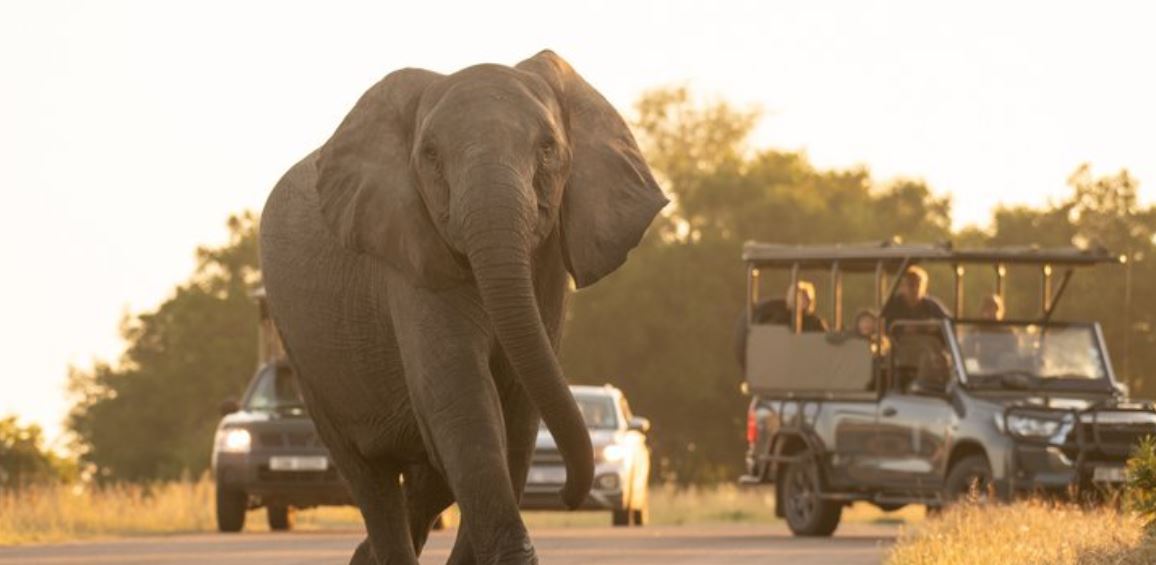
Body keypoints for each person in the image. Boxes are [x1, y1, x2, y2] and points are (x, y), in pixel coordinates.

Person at [733, 280, 828, 369]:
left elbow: (821, 345)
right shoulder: (777, 317)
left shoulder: (815, 322)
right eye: (794, 296)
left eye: (801, 297)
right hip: (780, 365)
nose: (797, 300)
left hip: (803, 366)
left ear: (808, 301)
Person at [881, 266, 950, 329]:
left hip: (926, 341)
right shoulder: (893, 305)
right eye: (910, 284)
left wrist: (933, 327)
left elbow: (948, 323)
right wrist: (902, 329)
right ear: (903, 286)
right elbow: (883, 326)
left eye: (918, 284)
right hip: (898, 341)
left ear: (924, 287)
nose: (914, 289)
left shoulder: (932, 306)